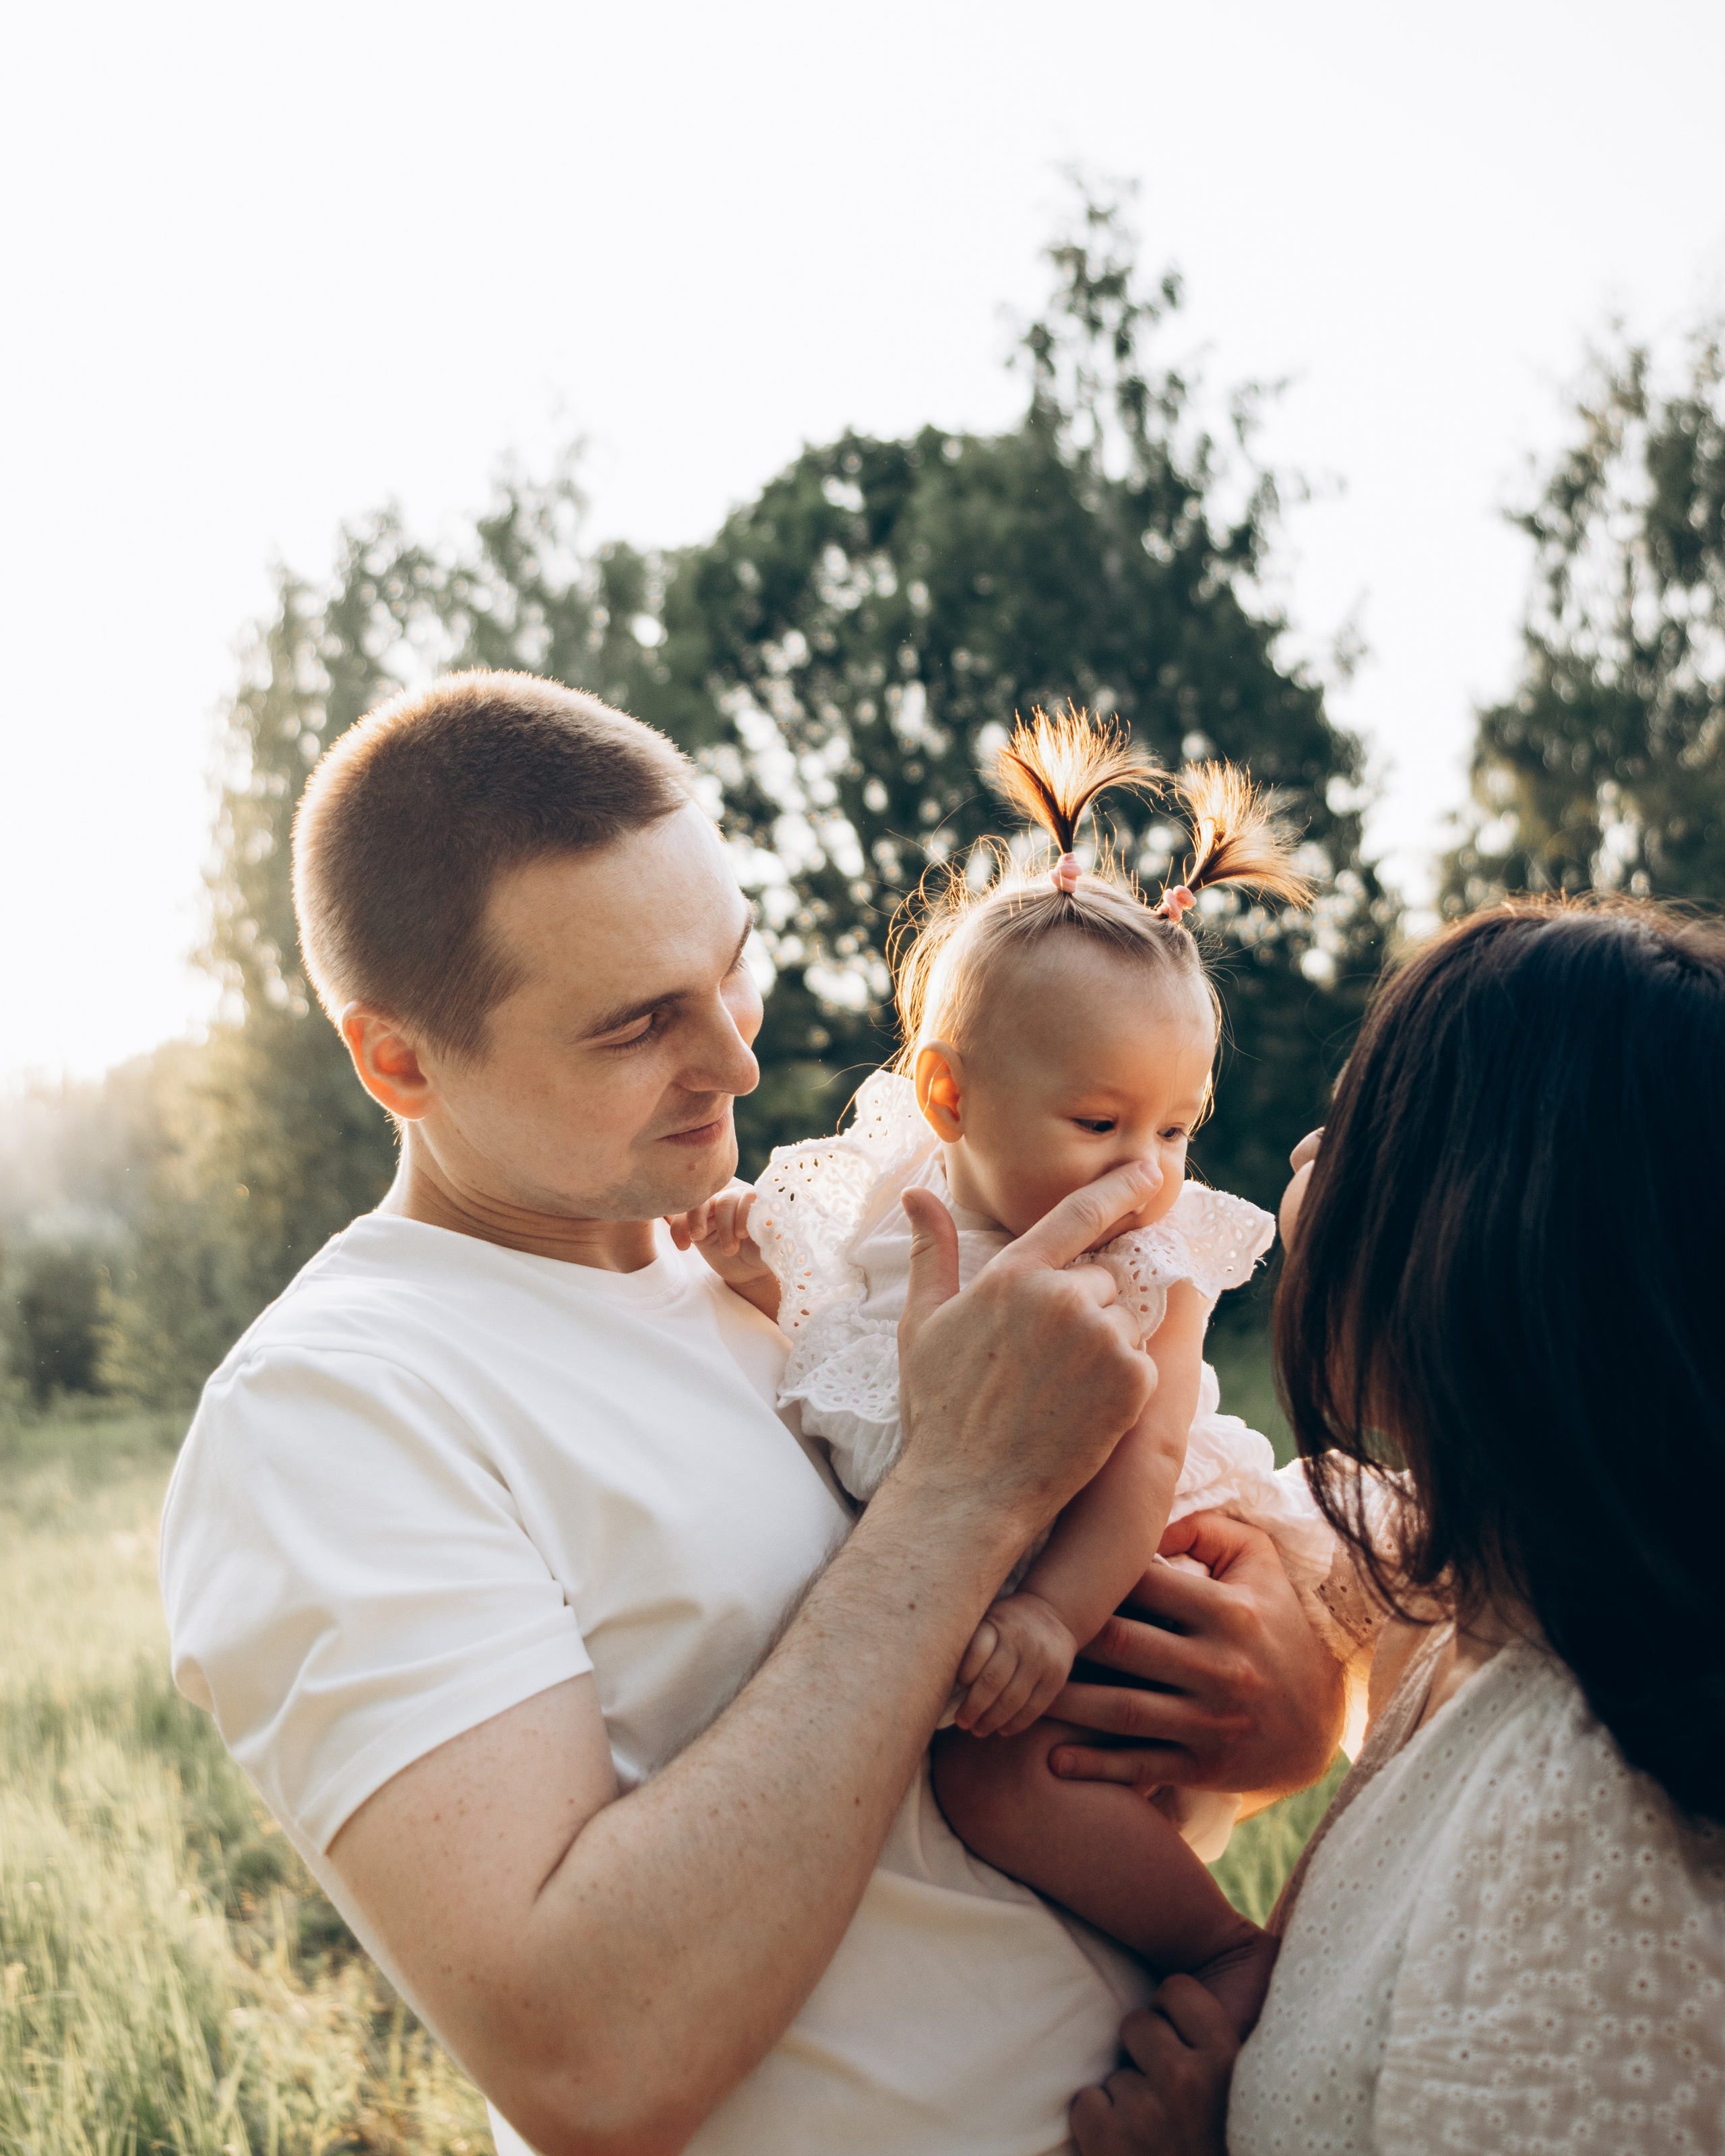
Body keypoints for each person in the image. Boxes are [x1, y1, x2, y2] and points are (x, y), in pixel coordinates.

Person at [158, 670, 1346, 2156]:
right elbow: (590, 2060)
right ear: (398, 1058)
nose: (733, 1057)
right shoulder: (336, 1411)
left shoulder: (799, 1257)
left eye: (731, 966)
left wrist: (1279, 1711)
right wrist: (962, 1490)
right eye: (635, 1024)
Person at [673, 707, 1349, 2035]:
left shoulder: (1146, 1258)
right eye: (1100, 1121)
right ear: (945, 1099)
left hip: (1115, 1558)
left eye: (1174, 1124)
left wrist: (1049, 1616)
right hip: (970, 1563)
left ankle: (1215, 1948)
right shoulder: (889, 1189)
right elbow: (837, 1323)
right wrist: (759, 1274)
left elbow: (1147, 1453)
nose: (1146, 1167)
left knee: (996, 1782)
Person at [1067, 895, 1725, 2155]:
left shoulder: (1591, 1835)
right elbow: (1354, 1555)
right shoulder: (1503, 1591)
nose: (1312, 1144)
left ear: (1489, 1240)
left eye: (1369, 1123)